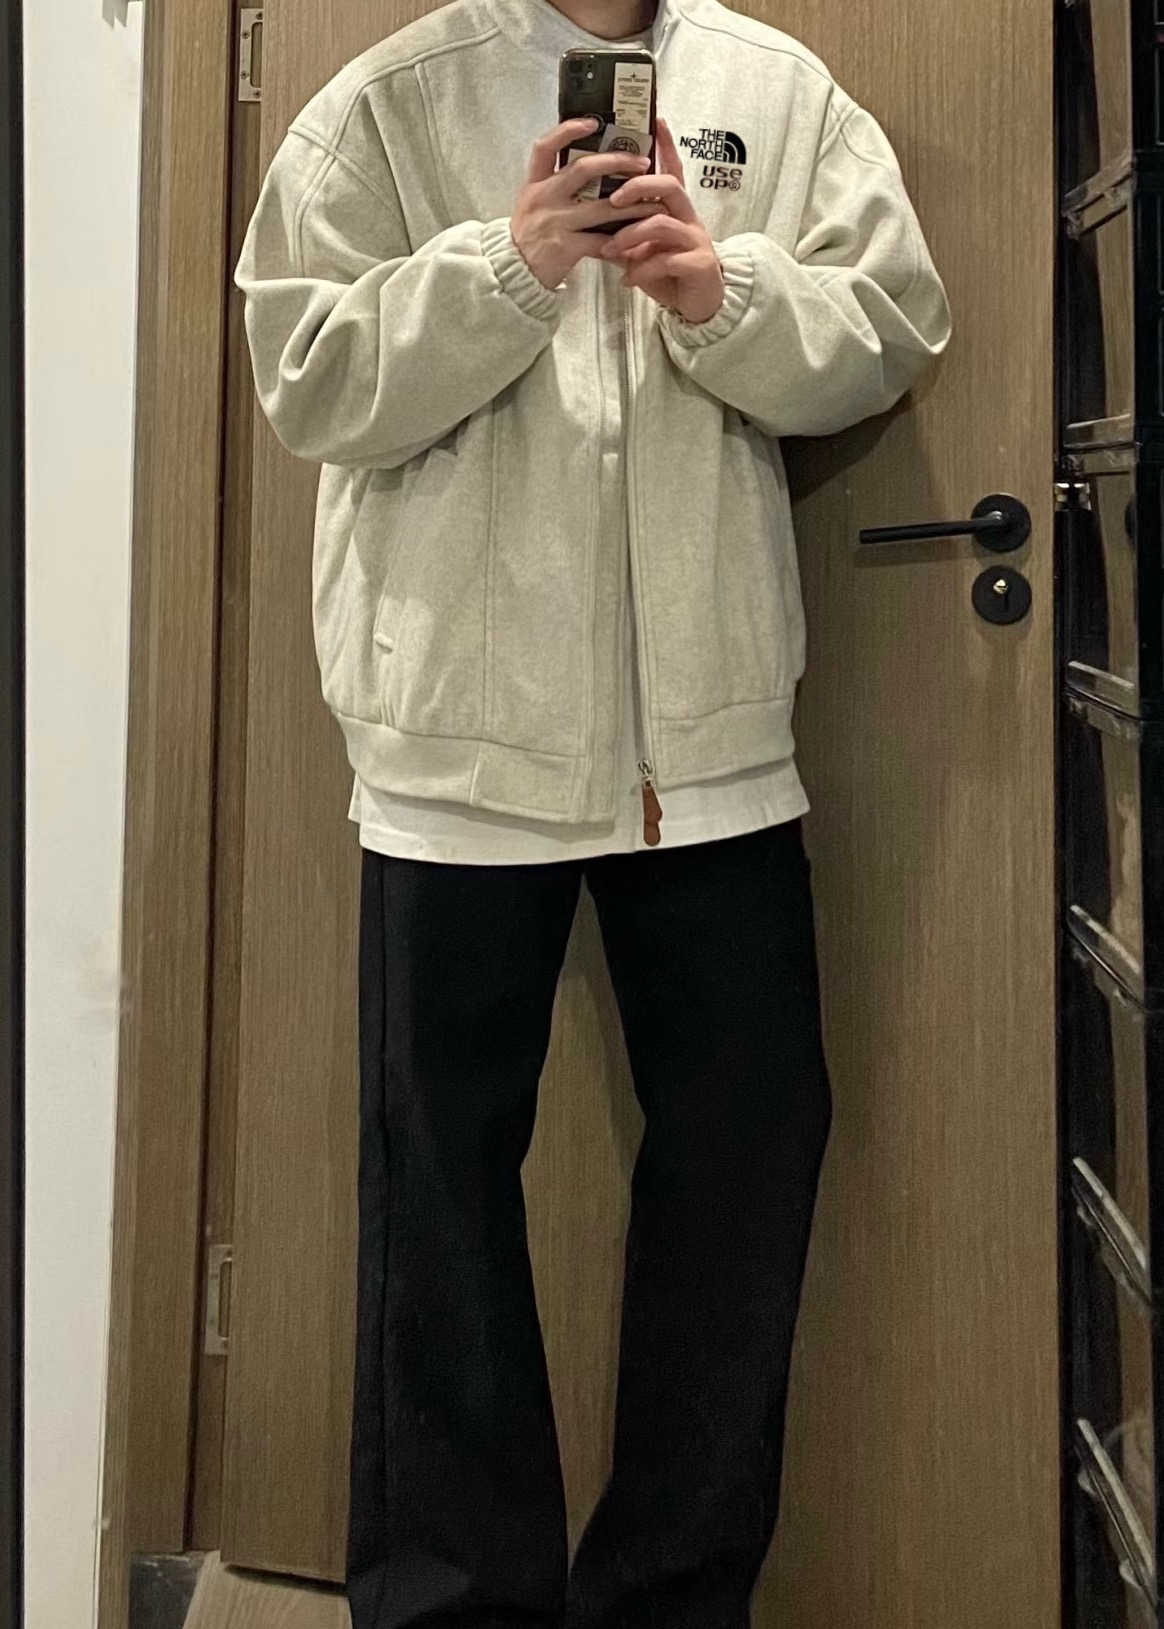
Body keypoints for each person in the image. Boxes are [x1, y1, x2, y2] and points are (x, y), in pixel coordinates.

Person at [236, 0, 950, 1620]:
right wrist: (508, 264)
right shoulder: (389, 103)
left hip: (712, 759)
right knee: (437, 1195)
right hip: (452, 765)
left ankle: (671, 1596)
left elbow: (894, 316)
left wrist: (723, 292)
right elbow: (306, 374)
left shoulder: (777, 90)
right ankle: (452, 1601)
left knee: (750, 1161)